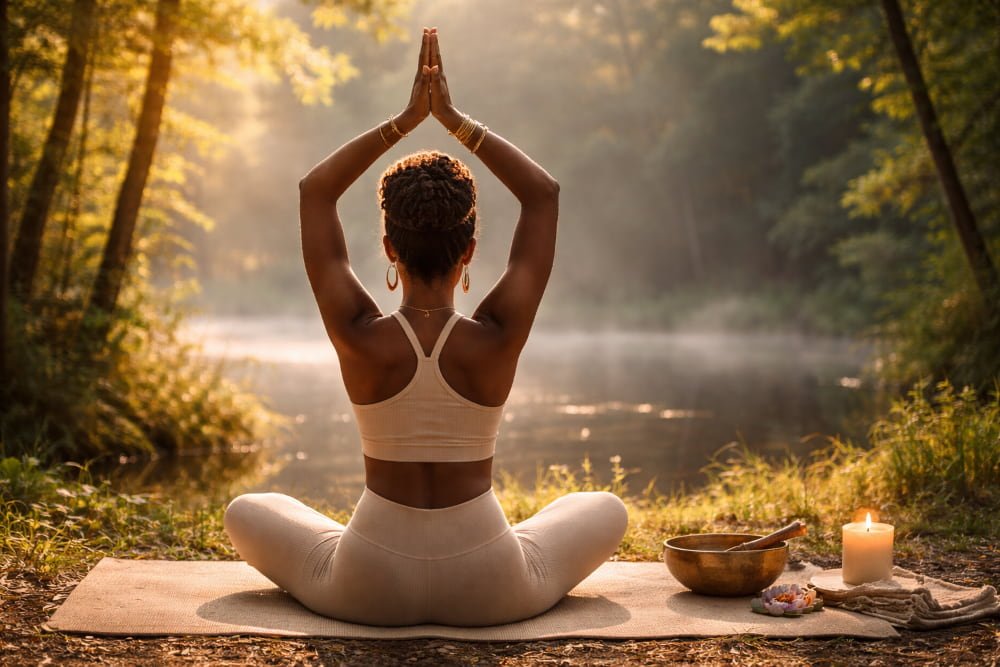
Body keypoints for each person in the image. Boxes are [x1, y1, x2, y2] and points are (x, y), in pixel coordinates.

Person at [224, 27, 628, 627]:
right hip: (491, 585)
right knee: (605, 507)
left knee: (246, 508)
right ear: (470, 251)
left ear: (388, 247)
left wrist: (406, 120)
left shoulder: (358, 333)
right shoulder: (496, 335)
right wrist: (456, 120)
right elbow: (542, 195)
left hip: (368, 584)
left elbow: (315, 193)